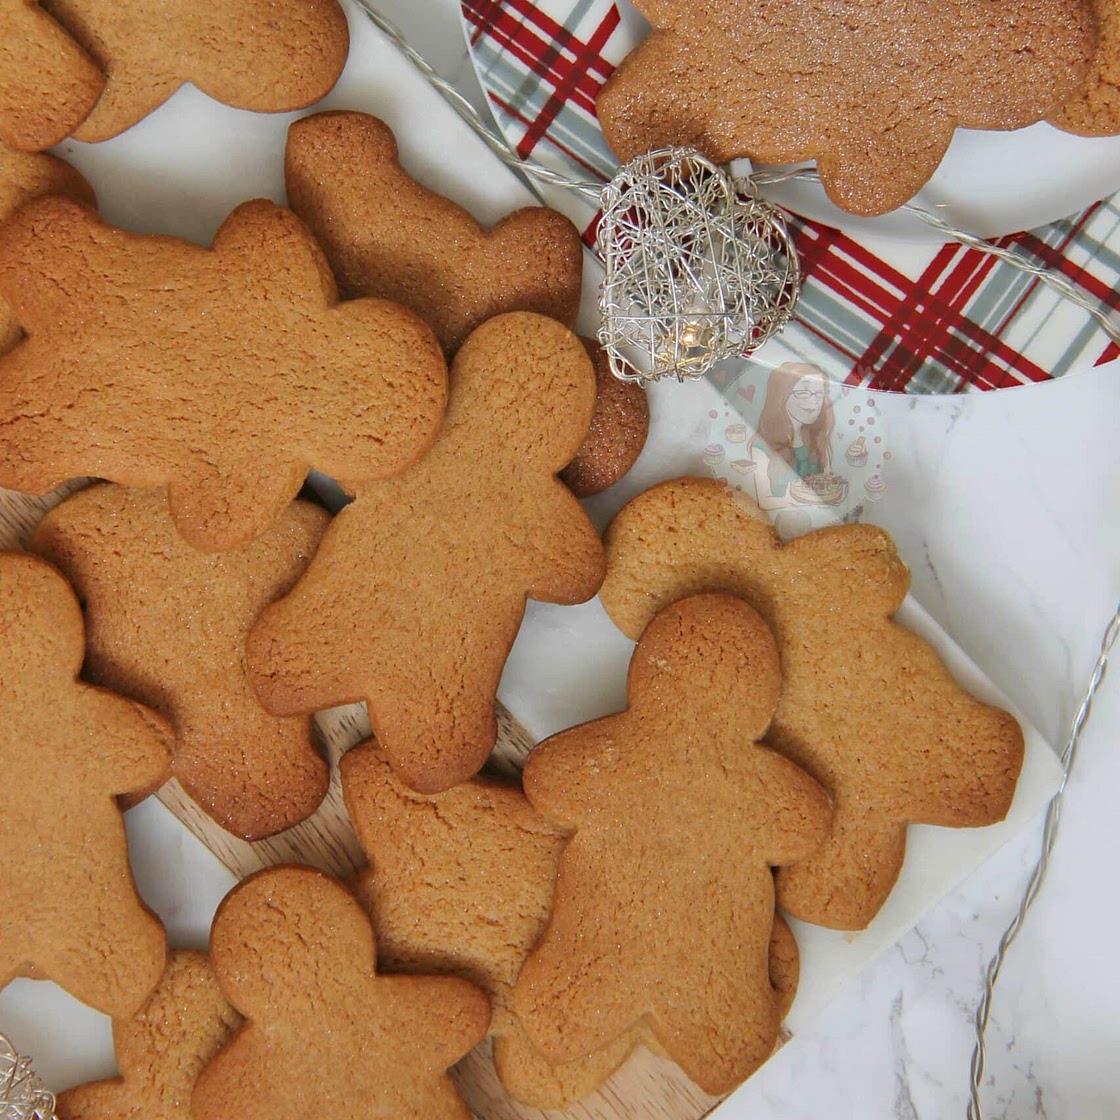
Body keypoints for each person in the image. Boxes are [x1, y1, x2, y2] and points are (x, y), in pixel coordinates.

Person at [748, 362, 834, 511]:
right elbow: (764, 501)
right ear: (782, 394)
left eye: (819, 394)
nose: (814, 401)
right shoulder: (762, 445)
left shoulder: (817, 439)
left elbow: (828, 483)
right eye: (803, 392)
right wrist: (801, 502)